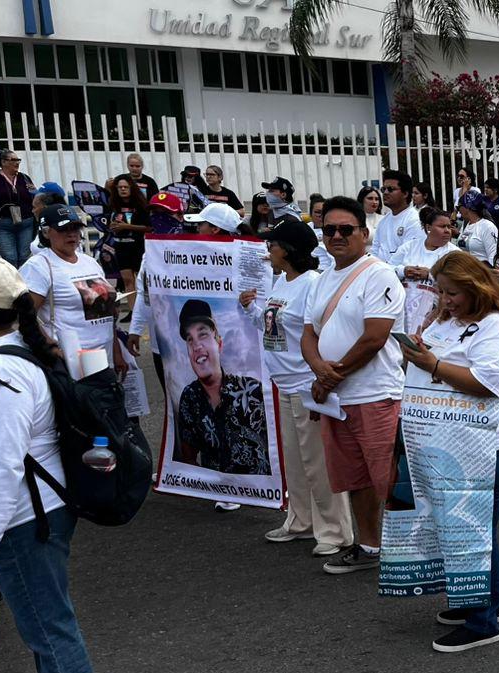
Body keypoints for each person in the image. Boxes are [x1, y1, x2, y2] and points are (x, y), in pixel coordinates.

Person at [0, 255, 114, 673]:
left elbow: (2, 465)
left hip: (25, 519)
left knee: (49, 624)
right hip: (34, 512)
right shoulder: (6, 353)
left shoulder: (1, 370)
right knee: (41, 622)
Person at [397, 252, 499, 652]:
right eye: (440, 291)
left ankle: (483, 622)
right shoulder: (448, 320)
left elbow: (486, 383)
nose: (444, 299)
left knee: (473, 533)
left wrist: (432, 363)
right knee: (462, 530)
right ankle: (483, 602)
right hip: (444, 439)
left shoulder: (497, 329)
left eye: (452, 292)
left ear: (475, 289)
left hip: (484, 445)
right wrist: (417, 352)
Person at [302, 196, 407, 576]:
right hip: (337, 397)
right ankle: (368, 545)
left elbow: (375, 337)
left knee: (388, 478)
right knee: (356, 477)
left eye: (346, 229)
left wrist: (331, 375)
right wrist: (319, 371)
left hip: (375, 393)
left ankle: (409, 550)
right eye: (329, 229)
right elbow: (309, 333)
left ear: (365, 233)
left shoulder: (378, 274)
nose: (337, 236)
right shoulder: (322, 278)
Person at [238, 219, 351, 556]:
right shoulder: (281, 281)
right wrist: (251, 310)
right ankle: (301, 520)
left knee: (318, 462)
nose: (267, 251)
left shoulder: (313, 283)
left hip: (306, 382)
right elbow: (273, 328)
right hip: (284, 382)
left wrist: (321, 377)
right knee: (296, 460)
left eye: (272, 245)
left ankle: (335, 531)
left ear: (286, 250)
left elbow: (320, 331)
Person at [20, 205, 125, 378]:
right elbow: (26, 316)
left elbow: (105, 313)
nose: (71, 234)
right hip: (70, 363)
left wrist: (117, 351)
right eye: (63, 229)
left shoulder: (89, 262)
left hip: (104, 357)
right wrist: (52, 349)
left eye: (75, 228)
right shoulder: (38, 267)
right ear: (46, 232)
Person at [171, 298, 271, 475]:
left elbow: (277, 447)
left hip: (259, 493)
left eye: (203, 334)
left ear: (219, 343)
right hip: (219, 492)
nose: (197, 345)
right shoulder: (190, 397)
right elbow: (189, 457)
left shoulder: (253, 390)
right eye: (189, 339)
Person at [391, 207, 460, 335]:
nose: (447, 231)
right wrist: (403, 271)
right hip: (403, 308)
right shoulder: (409, 247)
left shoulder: (454, 253)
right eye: (442, 226)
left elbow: (459, 282)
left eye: (449, 227)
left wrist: (430, 274)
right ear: (428, 227)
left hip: (436, 311)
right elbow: (387, 270)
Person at [101, 174, 150, 298]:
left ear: (131, 188)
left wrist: (127, 227)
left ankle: (145, 309)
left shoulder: (140, 205)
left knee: (142, 280)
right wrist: (112, 226)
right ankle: (132, 312)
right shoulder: (113, 205)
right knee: (127, 280)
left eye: (125, 187)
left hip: (137, 245)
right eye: (120, 187)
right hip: (120, 245)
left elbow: (148, 227)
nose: (123, 189)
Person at [373, 170, 420, 263]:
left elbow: (409, 255)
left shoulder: (414, 220)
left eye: (390, 189)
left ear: (405, 193)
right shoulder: (383, 221)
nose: (385, 193)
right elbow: (374, 250)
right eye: (383, 189)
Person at [455, 193, 499, 266]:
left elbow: (492, 257)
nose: (458, 210)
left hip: (480, 273)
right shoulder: (466, 224)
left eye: (458, 207)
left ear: (468, 207)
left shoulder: (488, 226)